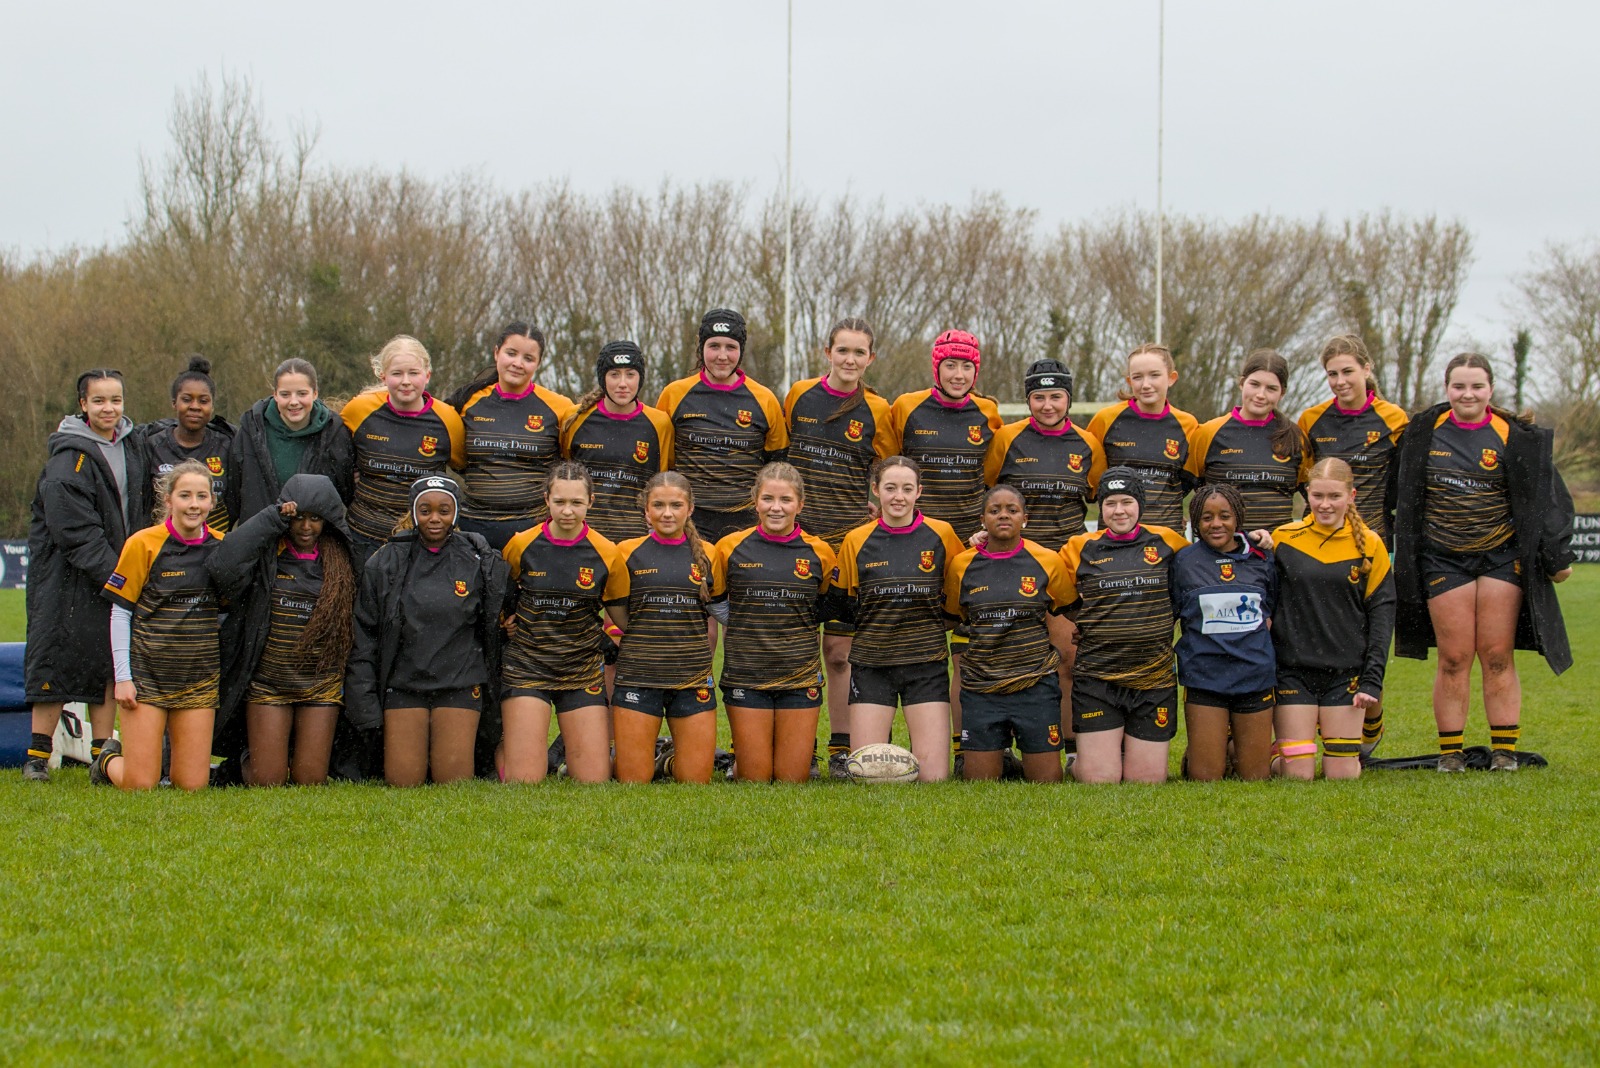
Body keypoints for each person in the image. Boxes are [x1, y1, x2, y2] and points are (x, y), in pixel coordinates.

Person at [1388, 353, 1575, 773]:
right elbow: (1391, 489)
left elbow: (1547, 497)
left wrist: (1557, 555)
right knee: (1454, 657)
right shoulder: (1422, 432)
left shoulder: (1515, 435)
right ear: (1446, 388)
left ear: (1491, 388)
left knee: (1496, 654)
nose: (1467, 394)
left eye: (1476, 386)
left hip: (1500, 558)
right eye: (1459, 386)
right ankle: (1451, 754)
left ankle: (1504, 752)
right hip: (1442, 559)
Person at [782, 318, 896, 776]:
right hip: (797, 544)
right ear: (826, 352)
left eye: (859, 352)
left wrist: (876, 508)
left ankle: (841, 750)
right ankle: (800, 749)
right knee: (796, 648)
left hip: (848, 545)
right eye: (842, 350)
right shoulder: (799, 395)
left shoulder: (879, 408)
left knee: (839, 652)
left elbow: (887, 471)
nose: (850, 359)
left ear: (871, 358)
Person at [344, 475, 509, 786]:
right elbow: (364, 635)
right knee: (404, 782)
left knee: (452, 784)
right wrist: (364, 703)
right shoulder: (386, 561)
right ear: (413, 511)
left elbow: (499, 617)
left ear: (456, 513)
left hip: (459, 682)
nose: (435, 518)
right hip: (404, 684)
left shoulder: (478, 559)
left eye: (444, 511)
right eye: (426, 510)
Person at [22, 370, 145, 782]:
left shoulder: (133, 446)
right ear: (83, 405)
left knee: (107, 661)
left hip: (113, 574)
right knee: (54, 658)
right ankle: (37, 757)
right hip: (64, 579)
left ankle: (101, 753)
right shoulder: (66, 459)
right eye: (99, 401)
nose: (109, 409)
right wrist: (121, 577)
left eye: (116, 400)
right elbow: (75, 533)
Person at [1297, 334, 1408, 755]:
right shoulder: (1312, 420)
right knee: (1324, 636)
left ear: (1366, 368)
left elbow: (1402, 485)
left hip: (1373, 547)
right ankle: (1324, 721)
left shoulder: (1394, 419)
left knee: (1368, 641)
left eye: (1347, 371)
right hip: (1321, 547)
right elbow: (1307, 483)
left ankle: (1371, 717)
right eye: (1332, 374)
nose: (1340, 381)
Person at [209, 474, 356, 786]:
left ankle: (289, 750)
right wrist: (271, 518)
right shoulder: (266, 553)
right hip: (269, 683)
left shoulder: (345, 559)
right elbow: (221, 566)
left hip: (320, 684)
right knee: (268, 781)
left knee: (310, 780)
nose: (306, 527)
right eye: (298, 517)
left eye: (315, 518)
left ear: (328, 520)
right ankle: (252, 756)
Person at [90, 461, 226, 791]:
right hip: (147, 677)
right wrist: (123, 678)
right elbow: (120, 613)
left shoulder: (224, 546)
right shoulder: (143, 543)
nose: (194, 504)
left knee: (192, 786)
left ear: (212, 502)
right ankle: (106, 760)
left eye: (202, 496)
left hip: (198, 678)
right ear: (168, 500)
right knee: (140, 784)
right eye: (185, 495)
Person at [836, 457, 965, 782]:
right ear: (875, 490)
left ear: (919, 491)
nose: (898, 497)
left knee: (934, 778)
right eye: (890, 488)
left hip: (925, 663)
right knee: (866, 773)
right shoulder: (856, 540)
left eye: (907, 489)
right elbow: (845, 603)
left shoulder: (941, 534)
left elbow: (958, 585)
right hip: (872, 663)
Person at [709, 463, 838, 784]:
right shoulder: (729, 547)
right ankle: (735, 761)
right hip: (746, 674)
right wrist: (748, 622)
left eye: (785, 500)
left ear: (800, 504)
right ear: (755, 501)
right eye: (768, 499)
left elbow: (823, 606)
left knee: (792, 779)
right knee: (755, 778)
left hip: (799, 675)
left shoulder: (820, 552)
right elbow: (716, 602)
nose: (776, 507)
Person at [1060, 468, 1189, 784]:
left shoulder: (1169, 542)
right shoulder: (1078, 547)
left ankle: (1116, 752)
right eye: (1110, 503)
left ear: (1140, 504)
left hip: (1153, 678)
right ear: (1101, 508)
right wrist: (1089, 620)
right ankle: (1080, 762)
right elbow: (1051, 585)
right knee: (1100, 779)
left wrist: (1252, 539)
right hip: (1098, 679)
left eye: (1127, 502)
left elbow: (1205, 564)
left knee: (1147, 780)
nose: (1119, 511)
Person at [1269, 459, 1395, 781]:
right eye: (1318, 495)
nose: (1325, 505)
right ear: (1307, 494)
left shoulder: (1371, 545)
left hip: (1345, 673)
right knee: (1298, 775)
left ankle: (1370, 723)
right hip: (1293, 671)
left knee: (1342, 775)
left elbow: (1382, 618)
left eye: (1335, 496)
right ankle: (1267, 755)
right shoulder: (1283, 539)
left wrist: (1372, 680)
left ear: (1351, 496)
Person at [943, 485, 1074, 782]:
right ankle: (1000, 754)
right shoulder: (962, 564)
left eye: (1012, 510)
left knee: (1046, 782)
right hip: (982, 687)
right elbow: (952, 616)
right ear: (982, 520)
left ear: (1025, 518)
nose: (1003, 515)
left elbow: (1070, 610)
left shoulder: (1047, 560)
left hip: (1035, 685)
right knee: (980, 784)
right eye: (995, 510)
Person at [499, 463, 620, 784]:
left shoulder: (608, 552)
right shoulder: (521, 544)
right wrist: (506, 621)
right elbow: (503, 594)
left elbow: (621, 614)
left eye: (576, 503)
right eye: (560, 502)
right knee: (524, 779)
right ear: (546, 500)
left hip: (580, 667)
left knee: (594, 780)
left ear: (591, 501)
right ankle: (505, 748)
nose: (567, 511)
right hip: (528, 665)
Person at [604, 471, 718, 784]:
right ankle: (613, 757)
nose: (667, 513)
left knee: (695, 781)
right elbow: (613, 608)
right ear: (646, 510)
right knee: (632, 780)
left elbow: (721, 607)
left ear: (690, 508)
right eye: (658, 505)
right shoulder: (625, 552)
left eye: (676, 505)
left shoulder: (710, 553)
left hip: (691, 675)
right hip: (639, 674)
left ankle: (666, 762)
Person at [1171, 483, 1277, 782]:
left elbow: (1272, 609)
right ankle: (1206, 751)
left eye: (1225, 516)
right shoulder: (1184, 561)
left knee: (1255, 778)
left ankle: (1232, 746)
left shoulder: (1262, 557)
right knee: (1205, 778)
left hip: (1254, 674)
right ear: (1196, 521)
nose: (1216, 524)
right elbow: (1172, 612)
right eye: (1207, 517)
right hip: (1205, 676)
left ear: (1237, 518)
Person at [655, 309, 788, 542]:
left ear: (741, 350)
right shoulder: (674, 394)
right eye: (714, 346)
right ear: (701, 348)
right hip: (689, 520)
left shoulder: (765, 399)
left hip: (746, 521)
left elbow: (777, 466)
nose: (722, 356)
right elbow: (661, 461)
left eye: (731, 347)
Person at [446, 321, 575, 552]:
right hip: (473, 527)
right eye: (511, 353)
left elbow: (569, 463)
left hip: (533, 530)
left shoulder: (561, 408)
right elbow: (457, 460)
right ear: (496, 353)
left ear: (538, 363)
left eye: (528, 358)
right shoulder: (466, 402)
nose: (518, 363)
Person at [341, 336, 467, 567]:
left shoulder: (448, 420)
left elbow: (464, 467)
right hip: (362, 536)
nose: (406, 381)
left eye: (414, 373)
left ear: (427, 375)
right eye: (397, 373)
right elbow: (337, 456)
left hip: (419, 542)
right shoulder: (359, 410)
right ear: (383, 376)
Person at [888, 330, 1004, 541]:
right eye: (950, 365)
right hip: (917, 531)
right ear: (937, 368)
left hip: (972, 533)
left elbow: (993, 476)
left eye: (967, 366)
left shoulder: (988, 411)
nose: (959, 375)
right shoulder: (906, 406)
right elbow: (887, 465)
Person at [984, 359, 1106, 551]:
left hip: (1069, 553)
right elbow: (985, 491)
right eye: (1039, 398)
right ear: (1028, 401)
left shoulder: (1089, 444)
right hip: (1018, 554)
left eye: (1056, 397)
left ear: (1069, 399)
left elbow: (1105, 501)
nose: (1047, 406)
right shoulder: (1005, 438)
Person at [560, 341, 674, 543]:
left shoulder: (660, 423)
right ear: (602, 378)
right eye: (614, 374)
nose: (623, 383)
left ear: (640, 378)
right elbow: (563, 473)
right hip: (584, 538)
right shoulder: (574, 418)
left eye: (630, 374)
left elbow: (661, 482)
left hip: (636, 539)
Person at [1186, 349, 1309, 532]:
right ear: (1242, 383)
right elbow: (1185, 488)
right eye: (1254, 384)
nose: (1261, 394)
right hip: (1224, 546)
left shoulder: (1295, 437)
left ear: (1282, 393)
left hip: (1277, 546)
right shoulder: (1208, 432)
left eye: (1271, 388)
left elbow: (1314, 495)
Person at [226, 357, 354, 528]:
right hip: (259, 535)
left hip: (313, 538)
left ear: (315, 393)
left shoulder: (334, 432)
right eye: (285, 394)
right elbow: (232, 494)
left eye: (302, 394)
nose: (294, 402)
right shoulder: (251, 430)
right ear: (275, 395)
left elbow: (348, 494)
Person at [1085, 344, 1198, 533]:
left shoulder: (1187, 424)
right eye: (1137, 377)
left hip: (1166, 535)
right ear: (1129, 381)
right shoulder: (1106, 419)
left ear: (1171, 378)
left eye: (1154, 375)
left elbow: (1188, 481)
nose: (1145, 384)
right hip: (1115, 537)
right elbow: (1092, 478)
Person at [131, 355, 236, 532]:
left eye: (203, 401)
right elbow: (141, 504)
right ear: (174, 403)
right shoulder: (151, 445)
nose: (195, 406)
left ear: (212, 406)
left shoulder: (228, 445)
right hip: (164, 544)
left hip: (214, 545)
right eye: (187, 399)